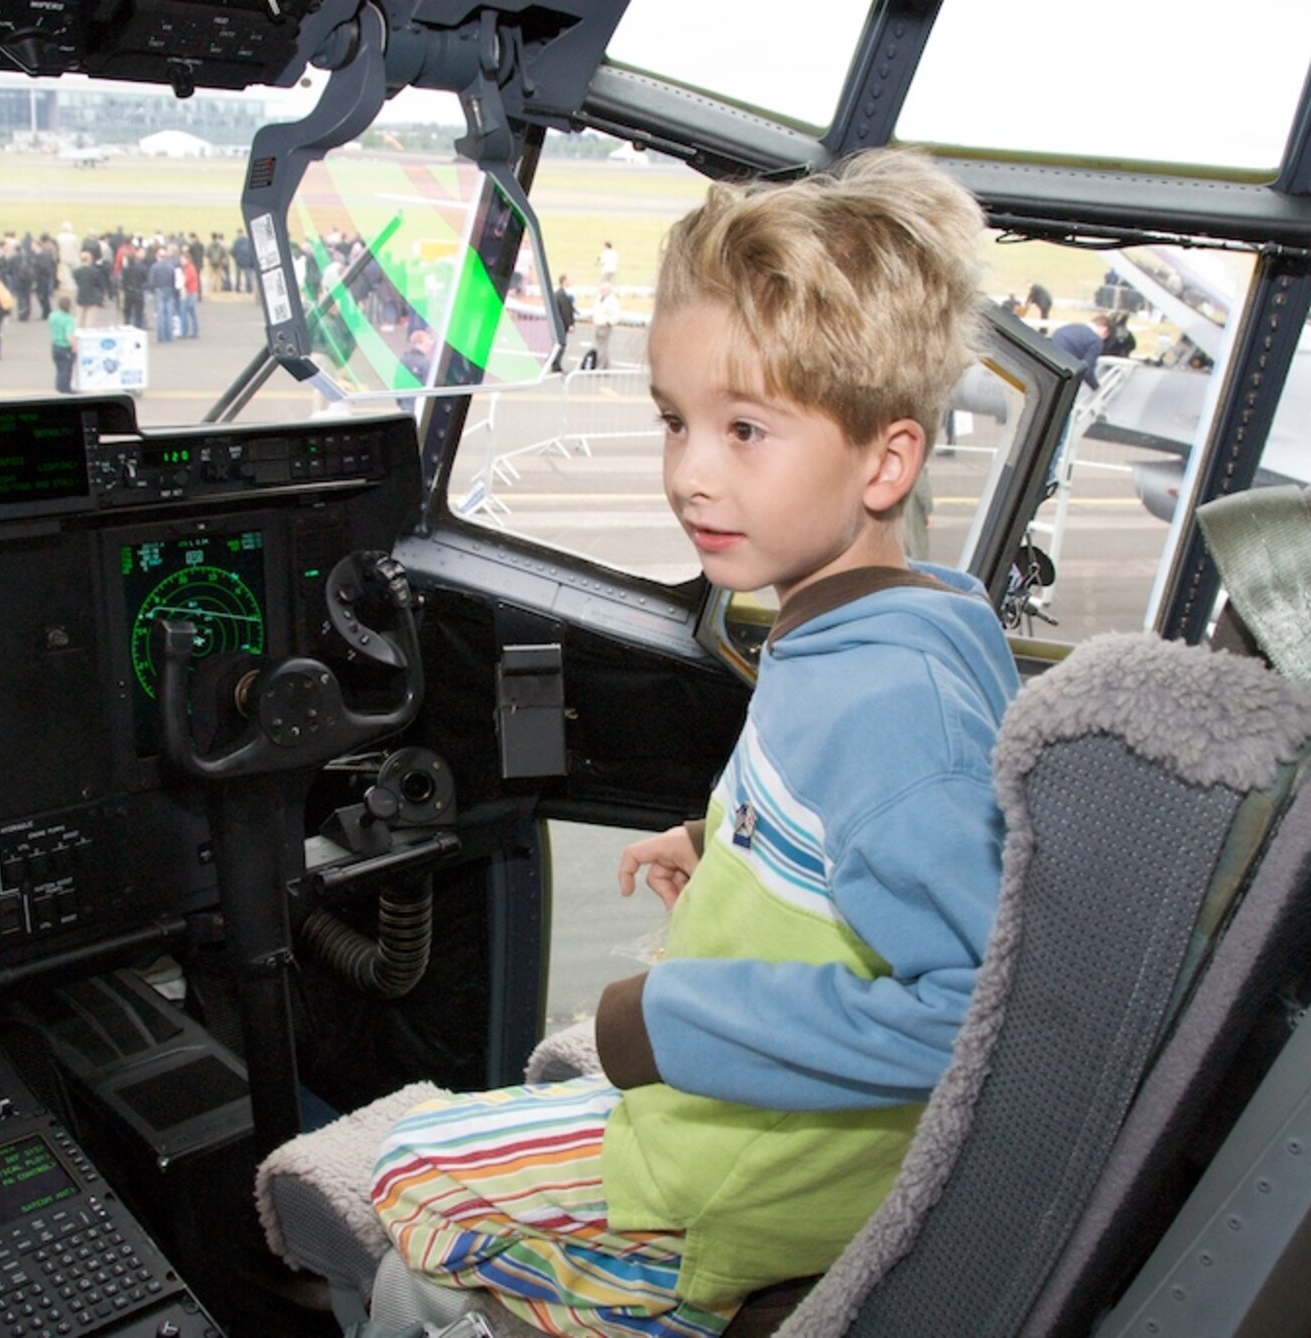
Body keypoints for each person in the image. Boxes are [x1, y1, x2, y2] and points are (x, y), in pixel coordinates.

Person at [369, 149, 1017, 1336]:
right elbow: (841, 835)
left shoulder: (888, 707)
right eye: (675, 422)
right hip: (741, 1131)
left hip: (749, 1193)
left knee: (403, 1194)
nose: (687, 473)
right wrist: (722, 842)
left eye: (745, 430)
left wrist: (664, 1022)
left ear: (886, 458)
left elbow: (972, 1009)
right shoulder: (873, 622)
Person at [1049, 310, 1113, 389]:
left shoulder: (1068, 328)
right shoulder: (1096, 341)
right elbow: (1087, 369)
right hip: (1065, 372)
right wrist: (1096, 387)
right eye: (1106, 336)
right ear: (1104, 329)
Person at [550, 272, 578, 373]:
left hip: (560, 323)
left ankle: (555, 362)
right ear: (564, 281)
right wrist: (570, 324)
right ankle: (555, 363)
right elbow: (565, 311)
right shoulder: (561, 294)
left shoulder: (560, 293)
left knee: (559, 344)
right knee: (561, 344)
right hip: (561, 324)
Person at [591, 280, 621, 370]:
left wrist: (609, 322)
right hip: (598, 324)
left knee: (602, 347)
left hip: (604, 325)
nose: (601, 291)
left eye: (603, 289)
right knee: (600, 346)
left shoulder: (612, 301)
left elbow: (616, 314)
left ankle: (600, 366)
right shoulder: (600, 298)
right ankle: (605, 365)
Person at [48, 296, 77, 393]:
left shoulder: (52, 316)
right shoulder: (69, 319)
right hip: (64, 347)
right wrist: (74, 346)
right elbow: (68, 335)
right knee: (66, 370)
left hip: (55, 345)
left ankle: (59, 386)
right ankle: (65, 389)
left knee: (59, 368)